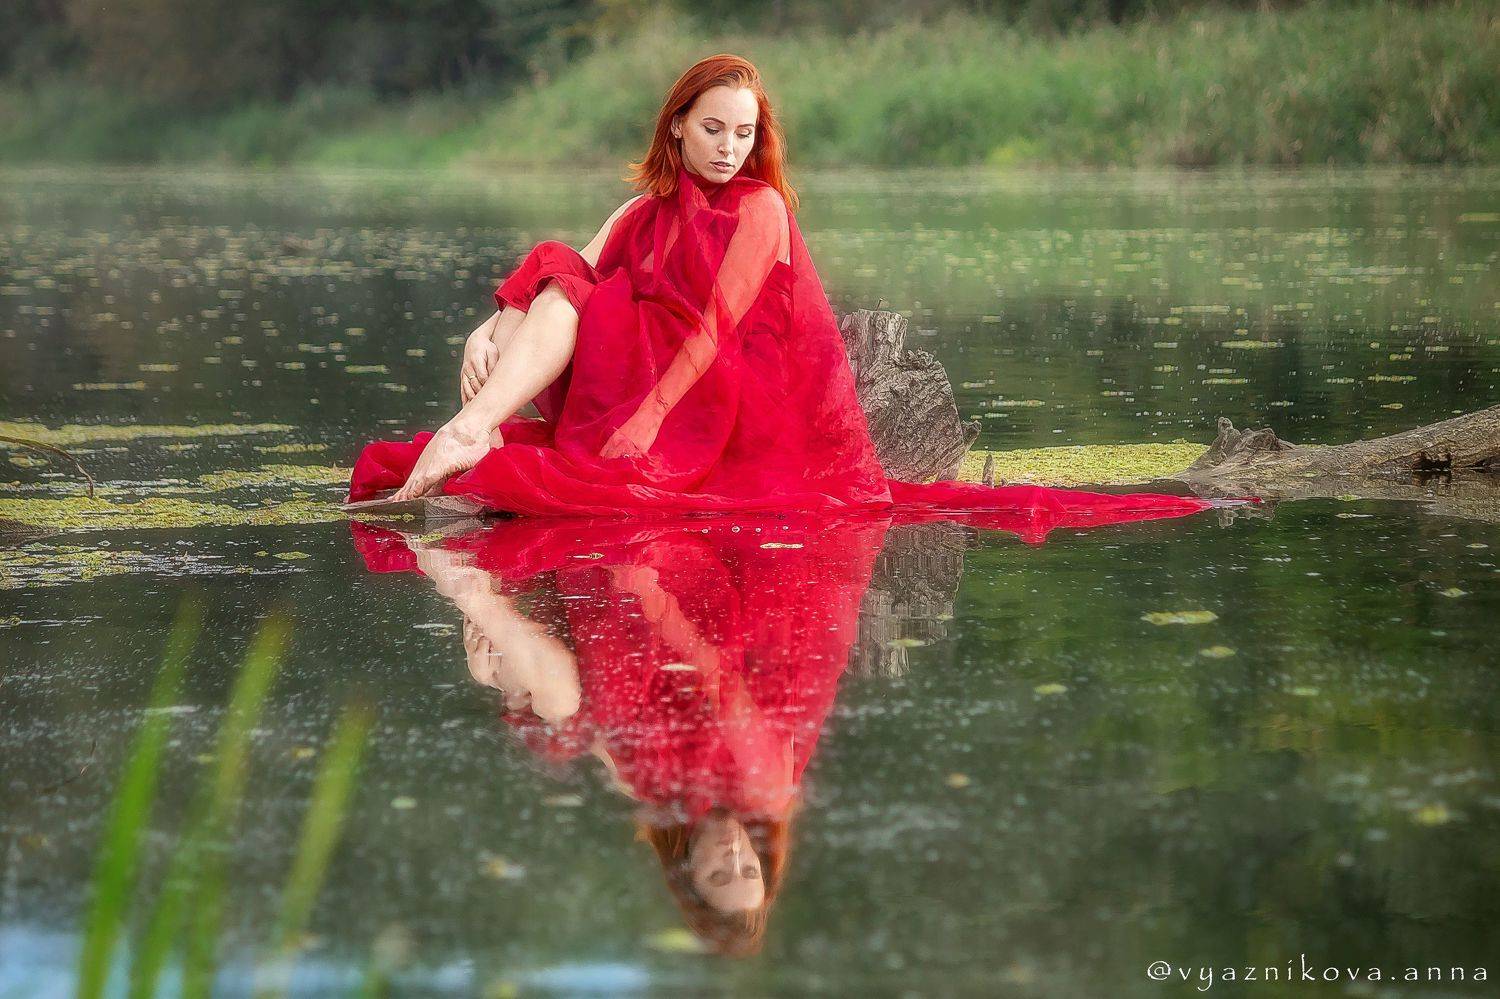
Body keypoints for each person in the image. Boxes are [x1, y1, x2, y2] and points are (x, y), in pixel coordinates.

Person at [346, 54, 1215, 524]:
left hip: (718, 402)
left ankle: (478, 428)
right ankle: (474, 423)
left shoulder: (760, 208)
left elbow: (712, 334)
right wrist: (488, 320)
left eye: (744, 132)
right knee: (563, 275)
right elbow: (566, 262)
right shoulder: (649, 204)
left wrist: (646, 421)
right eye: (712, 128)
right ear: (678, 126)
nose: (728, 146)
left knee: (578, 315)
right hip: (635, 374)